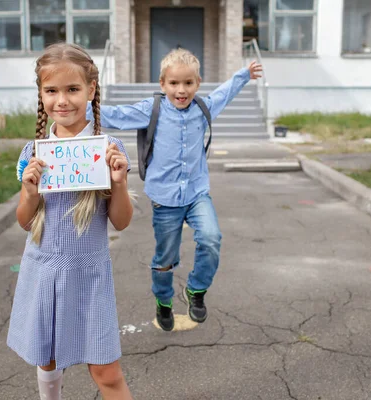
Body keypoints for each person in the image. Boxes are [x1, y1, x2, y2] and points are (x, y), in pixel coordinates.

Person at [88, 48, 263, 331]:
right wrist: (78, 106)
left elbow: (224, 93)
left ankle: (196, 290)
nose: (181, 90)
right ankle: (164, 301)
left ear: (197, 83)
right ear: (162, 84)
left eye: (188, 83)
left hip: (196, 194)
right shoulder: (152, 109)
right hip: (165, 198)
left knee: (211, 237)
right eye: (174, 83)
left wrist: (244, 75)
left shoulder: (203, 108)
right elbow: (117, 115)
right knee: (165, 258)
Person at [7, 43, 134, 400]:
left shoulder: (110, 150)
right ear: (41, 94)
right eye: (51, 91)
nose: (62, 100)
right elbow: (23, 220)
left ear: (91, 89)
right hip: (43, 269)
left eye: (72, 89)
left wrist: (119, 183)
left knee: (106, 371)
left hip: (89, 273)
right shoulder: (32, 153)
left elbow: (121, 222)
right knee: (47, 358)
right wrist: (30, 192)